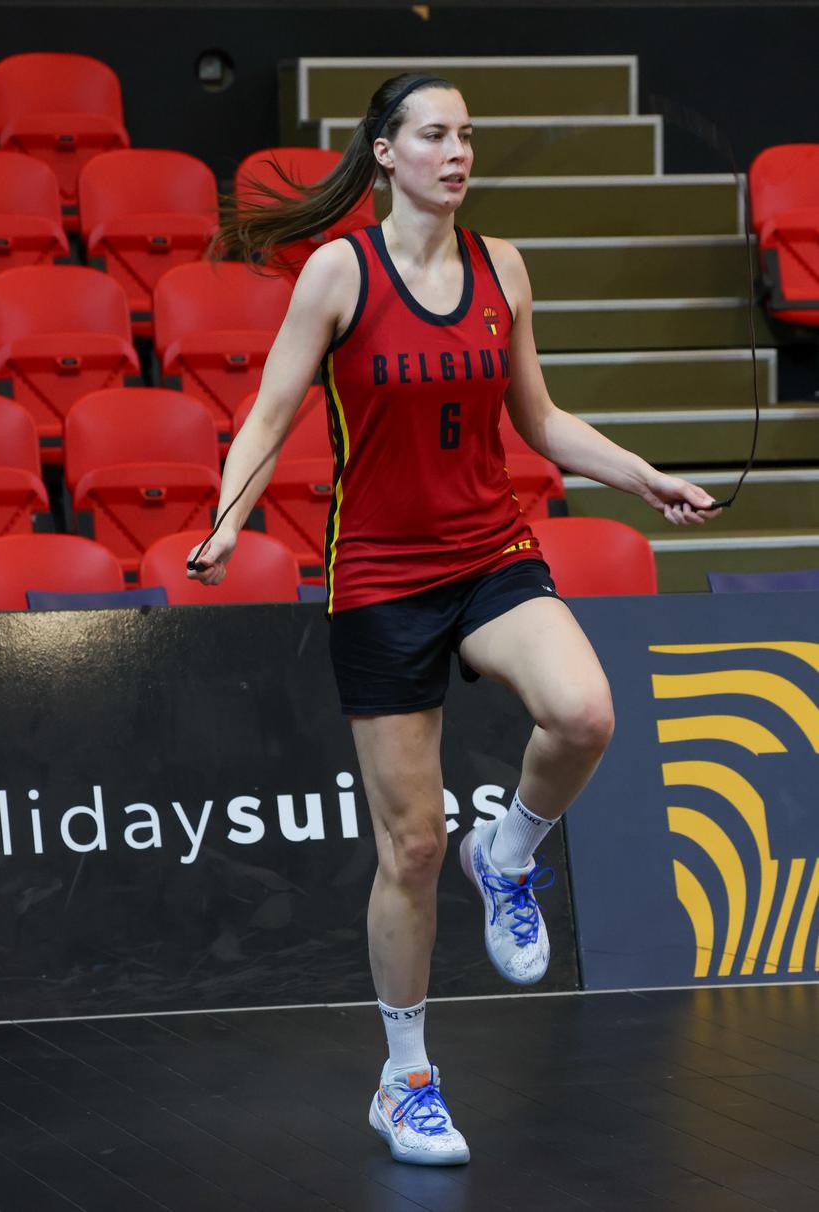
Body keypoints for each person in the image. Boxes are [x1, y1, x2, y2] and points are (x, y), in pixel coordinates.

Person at [188, 73, 721, 1166]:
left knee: (584, 712)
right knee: (415, 847)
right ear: (387, 153)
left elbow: (539, 419)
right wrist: (230, 523)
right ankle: (406, 1079)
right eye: (435, 135)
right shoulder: (340, 272)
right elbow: (270, 415)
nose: (457, 152)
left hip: (490, 552)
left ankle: (510, 853)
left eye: (467, 135)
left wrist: (644, 477)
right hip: (381, 577)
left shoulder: (501, 268)